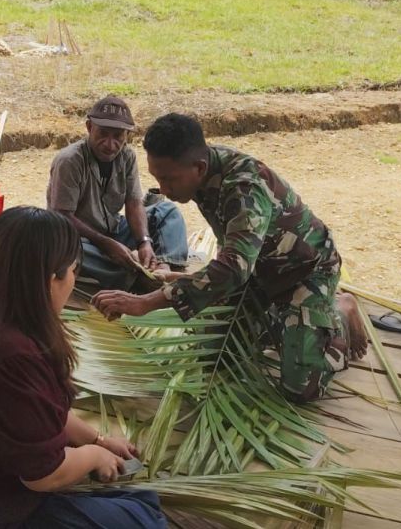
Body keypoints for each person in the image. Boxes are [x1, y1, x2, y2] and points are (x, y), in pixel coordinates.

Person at [0, 207, 167, 529]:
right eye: (74, 270)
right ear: (53, 279)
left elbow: (32, 410)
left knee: (137, 496)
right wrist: (95, 457)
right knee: (146, 518)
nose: (74, 281)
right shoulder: (12, 355)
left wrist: (98, 440)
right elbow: (43, 476)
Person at [91, 113, 368, 403]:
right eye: (158, 178)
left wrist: (144, 303)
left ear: (199, 168)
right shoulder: (202, 168)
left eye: (169, 180)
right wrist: (184, 279)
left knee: (301, 388)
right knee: (215, 359)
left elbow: (235, 267)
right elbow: (235, 253)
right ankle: (287, 321)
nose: (165, 190)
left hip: (305, 272)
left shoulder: (245, 187)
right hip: (257, 272)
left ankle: (337, 310)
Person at [47, 96, 188, 293]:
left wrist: (144, 242)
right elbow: (62, 216)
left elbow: (133, 202)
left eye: (118, 136)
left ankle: (163, 267)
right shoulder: (70, 160)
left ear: (127, 135)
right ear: (89, 127)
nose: (110, 143)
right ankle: (133, 277)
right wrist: (106, 244)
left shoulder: (127, 156)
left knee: (166, 211)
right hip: (79, 237)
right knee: (64, 250)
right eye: (103, 133)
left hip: (113, 228)